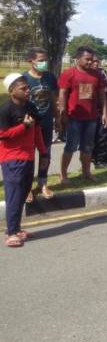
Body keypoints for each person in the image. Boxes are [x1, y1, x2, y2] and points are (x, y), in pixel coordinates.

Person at [1, 74, 46, 247]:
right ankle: (11, 233)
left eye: (28, 88)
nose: (28, 91)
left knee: (22, 194)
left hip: (28, 157)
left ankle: (17, 228)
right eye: (23, 88)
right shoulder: (5, 110)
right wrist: (23, 127)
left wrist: (43, 152)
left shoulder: (30, 107)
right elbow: (3, 135)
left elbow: (37, 130)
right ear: (12, 91)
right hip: (12, 158)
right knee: (14, 195)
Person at [58, 46, 107, 183]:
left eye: (92, 60)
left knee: (88, 147)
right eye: (87, 59)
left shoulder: (97, 75)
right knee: (71, 146)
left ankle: (86, 172)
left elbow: (102, 95)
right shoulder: (69, 74)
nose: (90, 62)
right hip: (74, 118)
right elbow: (62, 93)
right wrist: (62, 113)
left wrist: (104, 113)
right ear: (78, 58)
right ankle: (63, 174)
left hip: (91, 118)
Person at [22, 47, 57, 202]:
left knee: (45, 154)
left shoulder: (50, 77)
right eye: (40, 60)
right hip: (30, 125)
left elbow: (53, 99)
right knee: (28, 157)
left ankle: (42, 184)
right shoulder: (23, 79)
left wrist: (58, 118)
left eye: (45, 60)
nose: (44, 63)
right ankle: (27, 188)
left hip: (47, 123)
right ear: (31, 61)